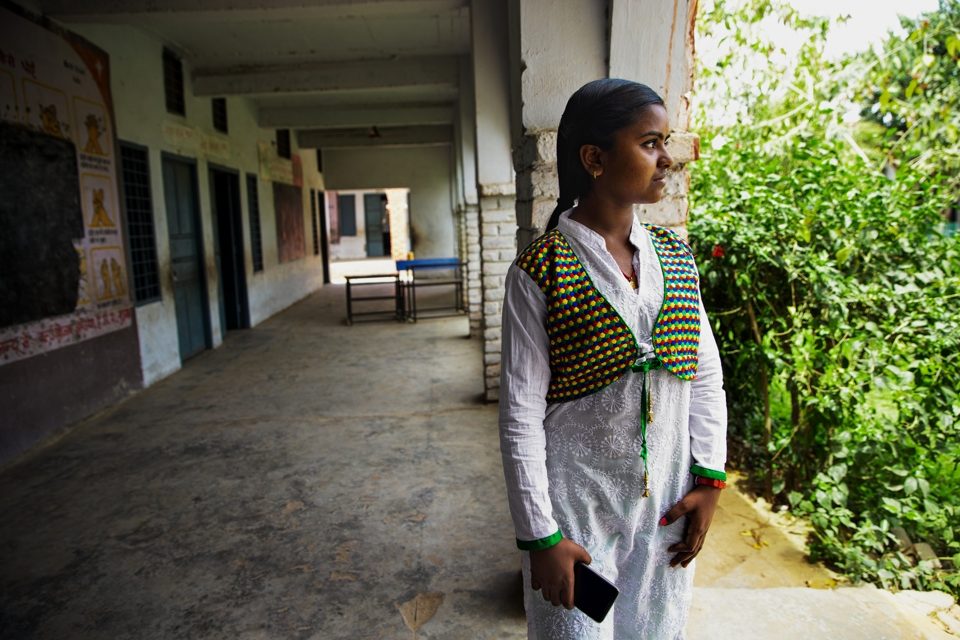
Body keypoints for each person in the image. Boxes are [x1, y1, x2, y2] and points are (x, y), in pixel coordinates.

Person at [498, 78, 728, 639]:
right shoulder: (541, 270)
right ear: (595, 158)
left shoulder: (674, 258)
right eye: (650, 143)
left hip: (667, 504)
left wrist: (708, 479)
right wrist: (541, 536)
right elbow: (520, 414)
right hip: (576, 508)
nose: (666, 158)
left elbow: (702, 376)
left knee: (654, 629)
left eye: (665, 142)